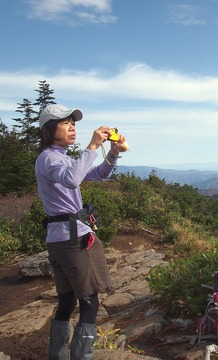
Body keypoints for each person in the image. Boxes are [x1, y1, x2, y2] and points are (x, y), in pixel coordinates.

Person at [35, 104, 127, 360]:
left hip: (60, 238)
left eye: (73, 123)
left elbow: (98, 174)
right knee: (89, 302)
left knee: (66, 300)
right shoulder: (49, 158)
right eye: (65, 123)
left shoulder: (61, 157)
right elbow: (72, 180)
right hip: (72, 239)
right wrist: (93, 146)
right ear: (49, 129)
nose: (72, 127)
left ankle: (58, 355)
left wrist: (113, 154)